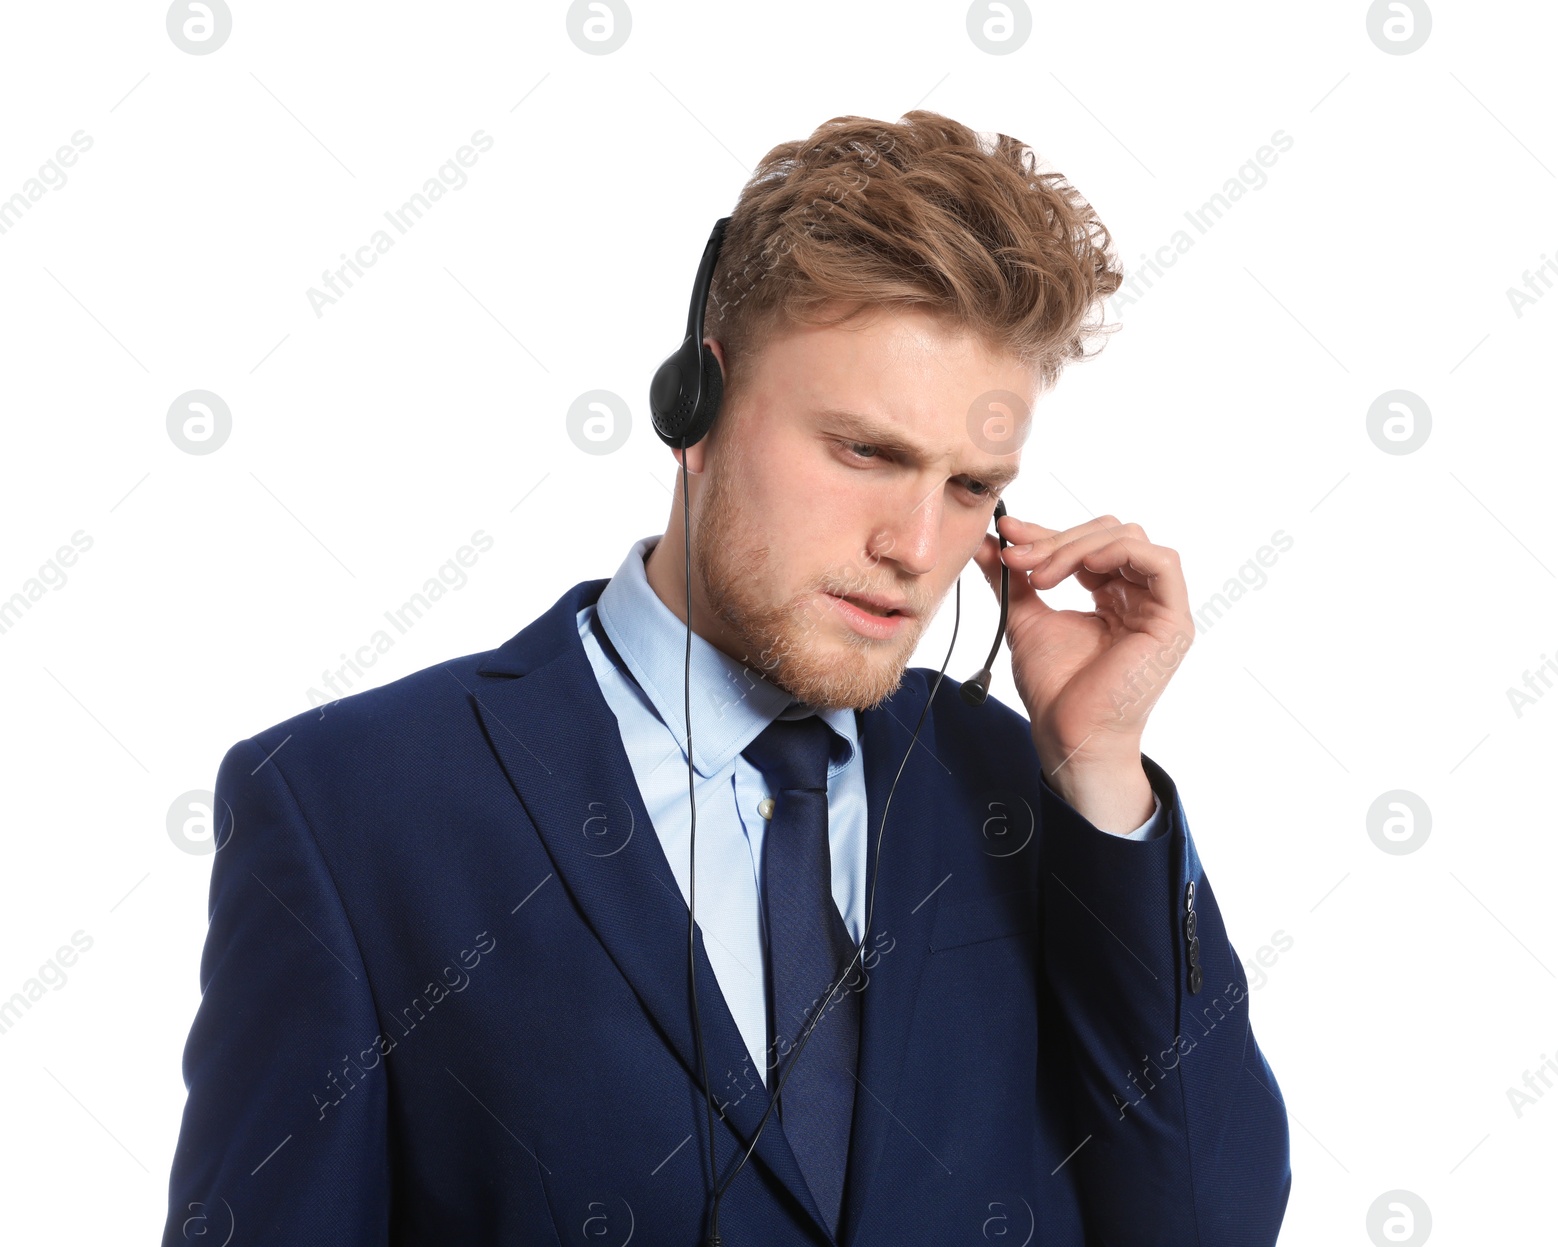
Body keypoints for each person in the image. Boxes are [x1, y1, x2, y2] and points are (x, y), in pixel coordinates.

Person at [161, 109, 1290, 1246]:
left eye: (967, 488)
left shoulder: (1034, 793)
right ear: (691, 409)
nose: (912, 547)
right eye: (866, 451)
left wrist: (1101, 778)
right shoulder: (351, 807)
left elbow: (1207, 1223)